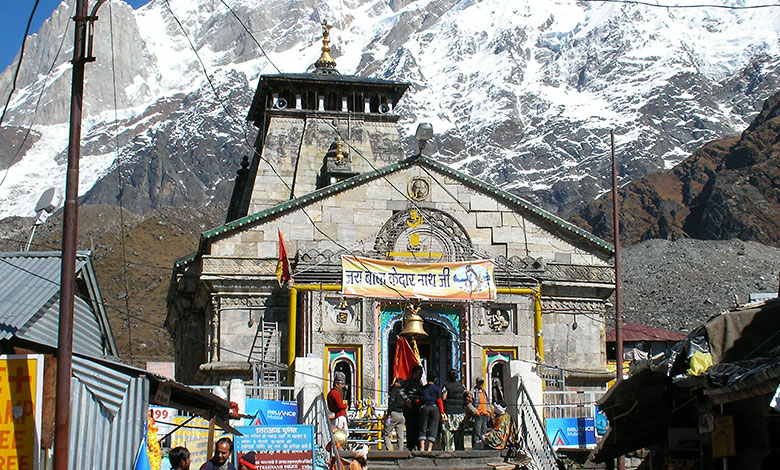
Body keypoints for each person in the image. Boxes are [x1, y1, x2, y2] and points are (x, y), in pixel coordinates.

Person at [441, 369, 466, 451]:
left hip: (449, 411)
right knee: (459, 431)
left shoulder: (446, 386)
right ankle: (460, 448)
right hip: (460, 412)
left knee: (448, 431)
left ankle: (448, 448)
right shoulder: (461, 386)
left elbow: (444, 397)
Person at [418, 370, 444, 452]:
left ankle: (422, 448)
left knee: (423, 427)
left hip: (424, 407)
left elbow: (418, 400)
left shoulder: (423, 388)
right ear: (435, 379)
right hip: (434, 408)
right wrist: (442, 412)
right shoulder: (437, 388)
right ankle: (429, 449)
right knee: (433, 427)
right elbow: (440, 401)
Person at [402, 365, 424, 450]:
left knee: (418, 427)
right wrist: (407, 401)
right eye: (418, 374)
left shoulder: (419, 383)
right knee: (410, 427)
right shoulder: (408, 382)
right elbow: (401, 391)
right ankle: (410, 445)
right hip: (410, 408)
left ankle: (417, 444)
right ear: (414, 373)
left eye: (421, 374)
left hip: (418, 408)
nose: (420, 376)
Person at [383, 376, 407, 450]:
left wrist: (389, 414)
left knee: (387, 433)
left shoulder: (394, 390)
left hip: (394, 413)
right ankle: (400, 451)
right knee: (400, 434)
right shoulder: (404, 392)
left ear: (398, 383)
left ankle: (390, 450)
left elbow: (392, 402)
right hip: (402, 414)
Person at [471, 377, 491, 448]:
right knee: (477, 431)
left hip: (485, 414)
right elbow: (470, 403)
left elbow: (487, 402)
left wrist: (489, 411)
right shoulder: (473, 391)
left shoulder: (483, 392)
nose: (481, 384)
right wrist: (475, 411)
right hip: (478, 414)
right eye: (480, 382)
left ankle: (483, 445)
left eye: (482, 382)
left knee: (483, 432)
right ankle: (475, 446)